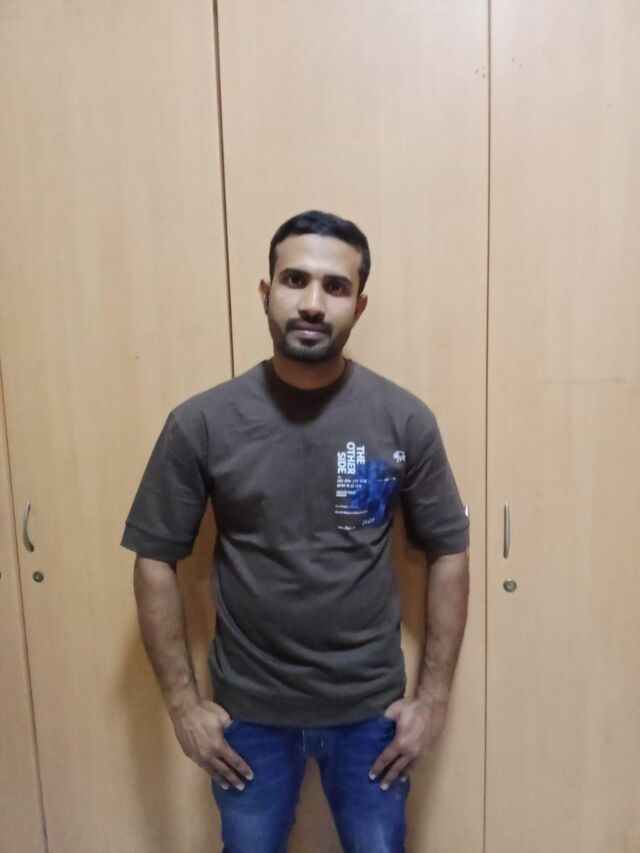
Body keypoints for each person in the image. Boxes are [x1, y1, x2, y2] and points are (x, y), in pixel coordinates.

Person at [120, 209, 470, 853]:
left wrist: (434, 701)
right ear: (266, 292)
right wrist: (184, 707)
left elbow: (448, 548)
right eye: (294, 280)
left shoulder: (403, 419)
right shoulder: (203, 422)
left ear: (359, 306)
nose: (312, 303)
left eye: (335, 287)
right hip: (248, 716)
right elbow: (154, 557)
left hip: (371, 713)